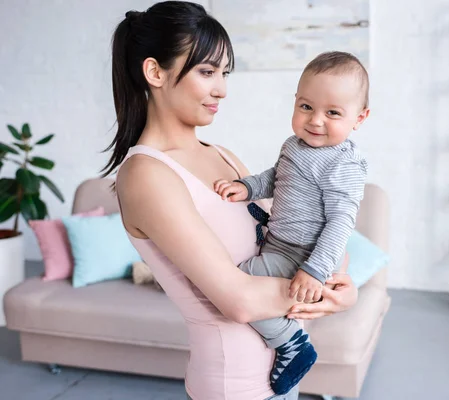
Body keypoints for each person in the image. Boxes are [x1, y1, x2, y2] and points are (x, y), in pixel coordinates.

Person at [103, 2, 359, 399]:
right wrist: (329, 298)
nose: (221, 89)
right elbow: (237, 301)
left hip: (280, 375)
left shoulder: (222, 156)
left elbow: (301, 232)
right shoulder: (146, 176)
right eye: (207, 72)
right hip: (234, 386)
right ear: (155, 72)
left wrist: (342, 282)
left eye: (224, 73)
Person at [213, 51, 370, 395]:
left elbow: (341, 223)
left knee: (239, 279)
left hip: (303, 253)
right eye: (306, 107)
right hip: (280, 240)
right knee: (238, 279)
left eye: (333, 113)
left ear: (359, 118)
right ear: (295, 102)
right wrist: (248, 187)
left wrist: (315, 270)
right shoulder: (294, 146)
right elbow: (277, 177)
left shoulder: (343, 163)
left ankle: (290, 342)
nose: (316, 120)